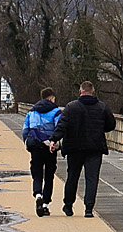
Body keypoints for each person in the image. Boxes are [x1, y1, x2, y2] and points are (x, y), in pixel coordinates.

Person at [57, 87, 116, 218]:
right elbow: (111, 125)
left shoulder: (71, 107)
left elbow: (62, 125)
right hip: (94, 148)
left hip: (74, 148)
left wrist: (53, 139)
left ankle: (68, 205)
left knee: (72, 177)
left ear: (80, 91)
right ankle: (88, 208)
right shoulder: (102, 107)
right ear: (93, 90)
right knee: (92, 179)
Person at [19, 94, 63, 215]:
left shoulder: (31, 112)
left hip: (35, 146)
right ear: (51, 98)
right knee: (49, 175)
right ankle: (45, 204)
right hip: (50, 147)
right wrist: (56, 143)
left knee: (37, 173)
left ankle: (38, 194)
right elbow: (59, 128)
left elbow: (25, 130)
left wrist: (27, 142)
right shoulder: (56, 112)